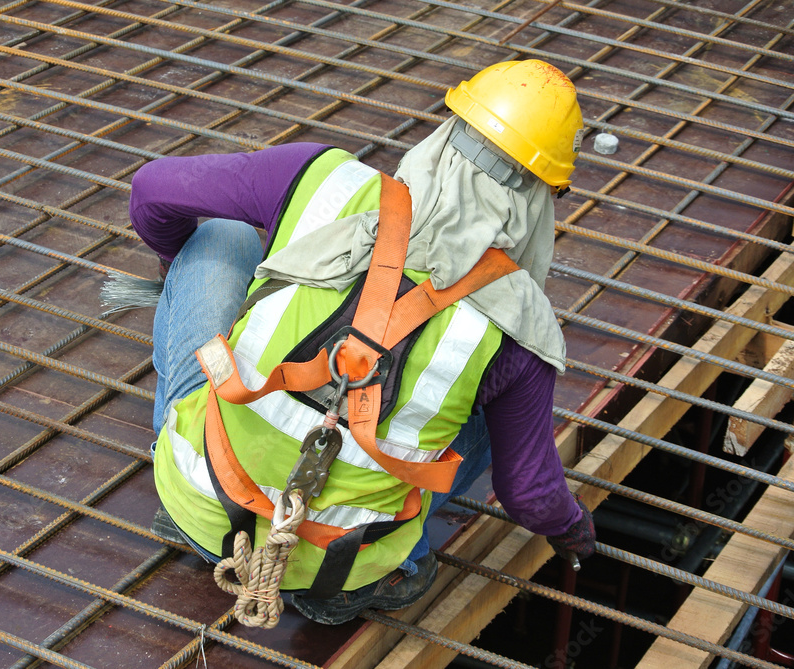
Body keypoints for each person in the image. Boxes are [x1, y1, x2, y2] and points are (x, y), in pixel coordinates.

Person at [111, 59, 596, 626]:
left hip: (199, 498)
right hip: (341, 568)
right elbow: (530, 492)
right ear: (541, 196)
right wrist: (576, 534)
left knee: (221, 235)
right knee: (494, 406)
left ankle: (203, 506)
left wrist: (181, 282)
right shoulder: (524, 326)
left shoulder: (321, 179)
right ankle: (392, 564)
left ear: (447, 130)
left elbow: (151, 191)